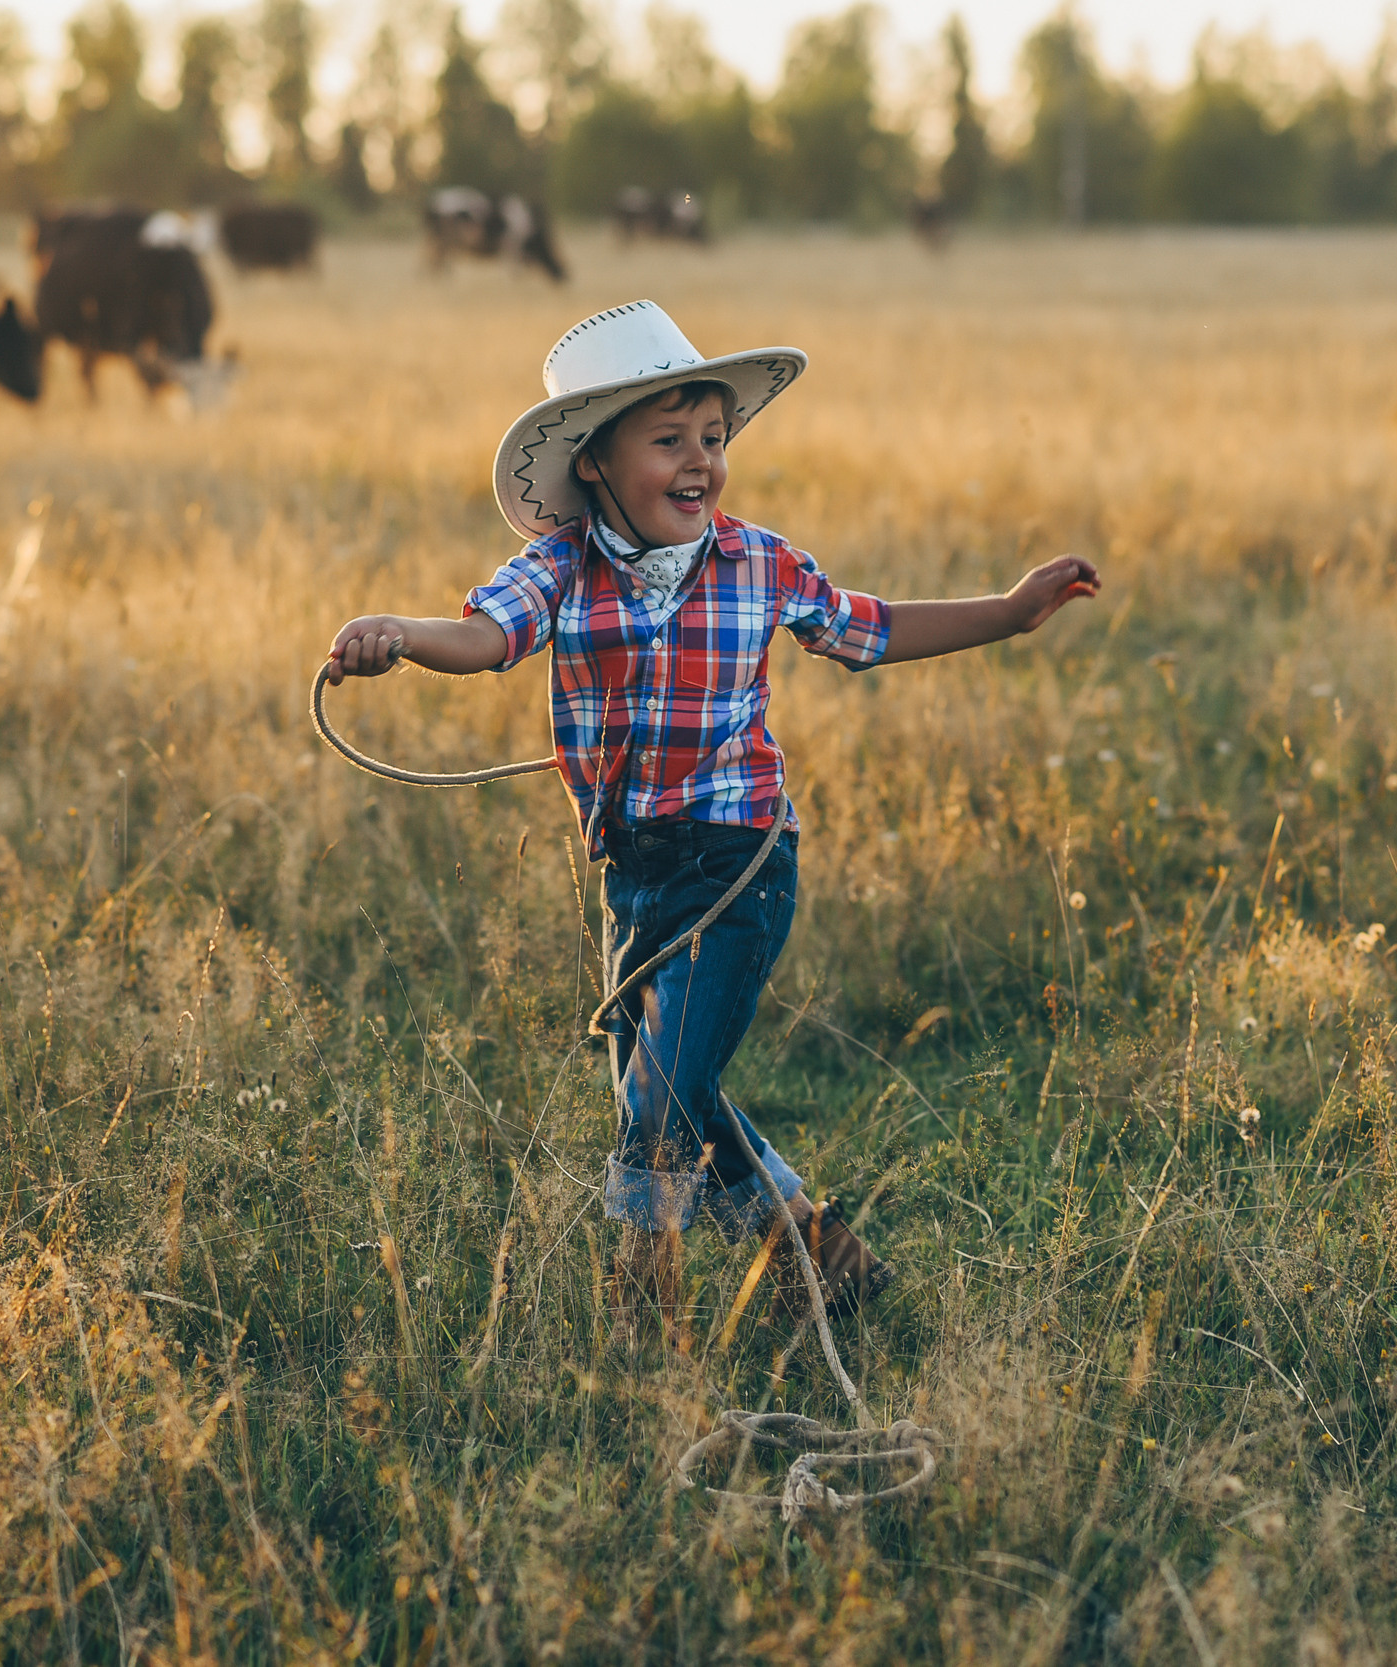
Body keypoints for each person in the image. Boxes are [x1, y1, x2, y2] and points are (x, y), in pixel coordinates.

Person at [324, 300, 1099, 1346]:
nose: (700, 462)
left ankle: (646, 1324)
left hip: (741, 865)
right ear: (594, 463)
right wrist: (396, 636)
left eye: (713, 438)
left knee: (656, 1105)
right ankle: (825, 1257)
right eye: (667, 440)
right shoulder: (559, 568)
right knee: (668, 1078)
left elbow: (869, 628)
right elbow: (481, 636)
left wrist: (1007, 611)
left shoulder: (759, 561)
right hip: (633, 873)